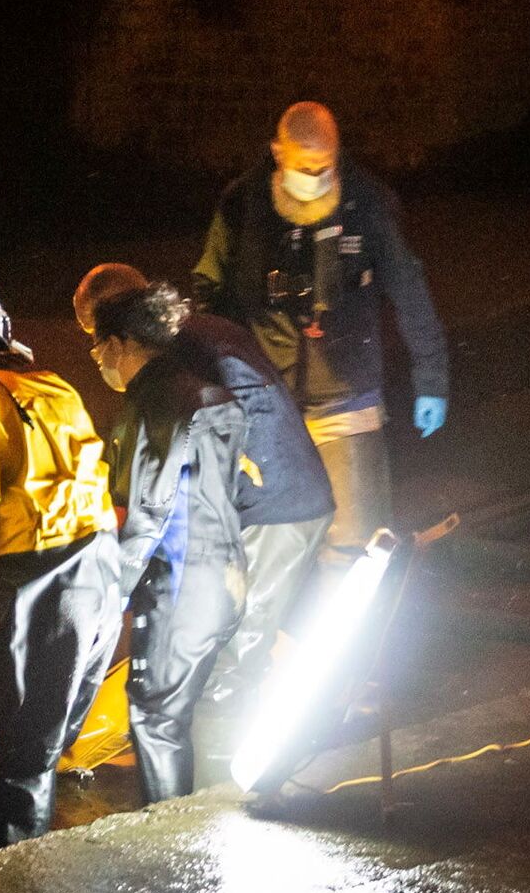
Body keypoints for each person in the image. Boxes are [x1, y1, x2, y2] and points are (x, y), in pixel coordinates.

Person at [192, 101, 448, 558]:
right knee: (268, 543)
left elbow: (408, 288)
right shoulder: (243, 205)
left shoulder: (367, 204)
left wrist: (432, 379)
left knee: (355, 544)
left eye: (322, 166)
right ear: (277, 152)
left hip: (347, 391)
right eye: (302, 166)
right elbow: (211, 293)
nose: (312, 177)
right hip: (267, 398)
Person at [74, 263, 334, 709]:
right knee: (227, 634)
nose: (98, 350)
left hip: (273, 506)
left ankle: (235, 760)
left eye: (96, 334)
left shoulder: (175, 351)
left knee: (238, 643)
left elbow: (179, 451)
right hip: (272, 495)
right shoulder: (197, 330)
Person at [0, 284, 119, 851]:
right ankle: (34, 871)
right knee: (47, 743)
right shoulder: (56, 385)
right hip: (103, 571)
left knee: (20, 752)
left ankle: (9, 890)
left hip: (42, 581)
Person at [87, 281, 247, 802]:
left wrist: (111, 595)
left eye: (97, 342)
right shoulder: (206, 389)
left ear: (119, 343)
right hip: (226, 577)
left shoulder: (154, 400)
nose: (95, 356)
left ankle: (169, 843)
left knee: (156, 719)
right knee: (174, 713)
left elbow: (147, 510)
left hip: (181, 585)